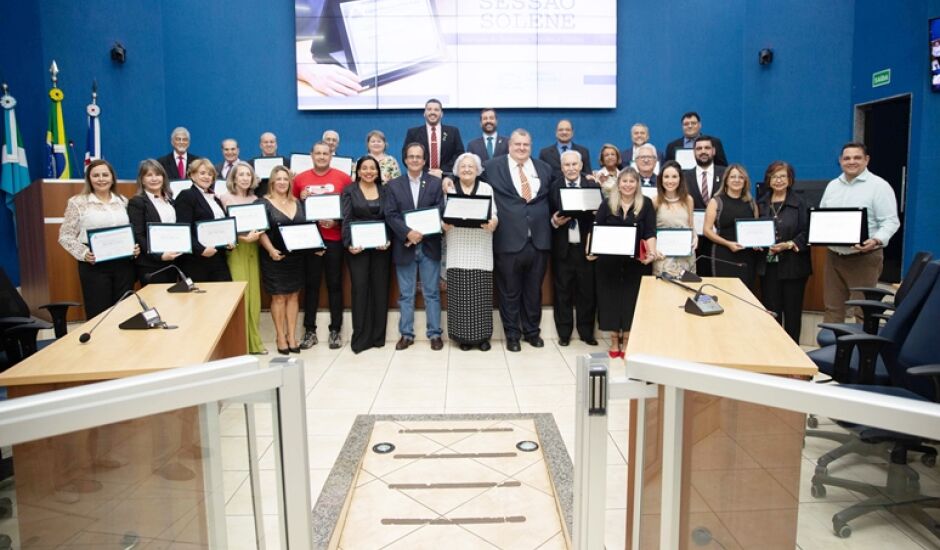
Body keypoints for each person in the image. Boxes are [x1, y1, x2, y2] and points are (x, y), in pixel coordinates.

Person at [484, 129, 553, 352]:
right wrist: (448, 183)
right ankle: (512, 334)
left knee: (534, 290)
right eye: (517, 144)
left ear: (530, 145)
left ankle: (532, 332)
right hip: (508, 241)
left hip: (539, 241)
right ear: (509, 145)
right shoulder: (492, 167)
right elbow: (467, 178)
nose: (521, 148)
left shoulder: (544, 168)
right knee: (509, 292)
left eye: (526, 144)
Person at [819, 142, 900, 323]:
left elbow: (890, 221)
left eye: (857, 157)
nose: (851, 162)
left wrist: (876, 240)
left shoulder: (879, 186)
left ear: (866, 160)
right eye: (847, 158)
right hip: (834, 257)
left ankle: (861, 352)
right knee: (832, 309)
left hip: (864, 257)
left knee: (863, 311)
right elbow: (823, 216)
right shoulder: (833, 186)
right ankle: (832, 350)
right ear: (840, 161)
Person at [58, 159, 139, 319]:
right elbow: (65, 236)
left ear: (112, 178)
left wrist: (134, 247)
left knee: (124, 312)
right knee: (99, 314)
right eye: (96, 175)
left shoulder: (122, 201)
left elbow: (129, 230)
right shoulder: (78, 202)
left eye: (105, 175)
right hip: (94, 266)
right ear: (89, 179)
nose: (101, 179)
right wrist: (84, 253)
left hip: (124, 266)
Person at [591, 167, 657, 359]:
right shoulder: (606, 204)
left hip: (636, 264)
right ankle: (613, 340)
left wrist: (651, 253)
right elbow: (596, 229)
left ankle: (627, 340)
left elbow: (650, 232)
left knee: (631, 300)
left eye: (632, 181)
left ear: (637, 184)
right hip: (608, 263)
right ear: (618, 184)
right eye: (624, 181)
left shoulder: (645, 204)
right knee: (610, 300)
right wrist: (591, 251)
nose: (628, 185)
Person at [385, 143, 445, 351]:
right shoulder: (393, 185)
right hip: (405, 245)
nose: (415, 160)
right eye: (411, 156)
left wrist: (421, 233)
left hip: (429, 245)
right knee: (406, 294)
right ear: (405, 159)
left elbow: (440, 210)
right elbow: (391, 214)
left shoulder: (435, 183)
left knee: (432, 293)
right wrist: (408, 233)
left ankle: (435, 334)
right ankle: (406, 334)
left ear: (425, 160)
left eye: (418, 157)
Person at [293, 141, 352, 349]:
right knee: (311, 286)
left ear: (331, 155)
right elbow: (291, 211)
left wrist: (337, 221)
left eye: (325, 153)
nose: (321, 156)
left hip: (334, 240)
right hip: (309, 242)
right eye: (317, 153)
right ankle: (309, 331)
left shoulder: (343, 178)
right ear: (311, 155)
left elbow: (350, 207)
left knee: (335, 285)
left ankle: (335, 330)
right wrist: (300, 200)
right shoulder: (299, 180)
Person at [442, 153, 498, 351]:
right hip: (457, 248)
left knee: (481, 296)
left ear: (478, 170)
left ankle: (482, 338)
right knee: (460, 296)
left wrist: (493, 223)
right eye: (463, 166)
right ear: (456, 170)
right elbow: (443, 216)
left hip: (481, 248)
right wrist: (444, 224)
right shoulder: (450, 189)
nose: (466, 169)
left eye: (471, 166)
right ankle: (462, 338)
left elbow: (494, 215)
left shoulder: (486, 188)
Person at [756, 161, 812, 342]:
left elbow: (808, 232)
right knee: (771, 312)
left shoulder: (800, 203)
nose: (778, 180)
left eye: (783, 176)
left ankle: (794, 353)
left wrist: (788, 244)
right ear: (768, 180)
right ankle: (774, 349)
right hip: (769, 267)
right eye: (774, 176)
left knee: (792, 313)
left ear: (790, 179)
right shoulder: (761, 203)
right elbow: (753, 229)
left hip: (793, 267)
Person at [549, 150, 599, 346]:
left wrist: (596, 211)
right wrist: (554, 221)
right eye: (566, 165)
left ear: (580, 166)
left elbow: (600, 218)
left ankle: (587, 333)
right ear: (562, 168)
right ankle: (564, 334)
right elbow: (547, 215)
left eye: (574, 164)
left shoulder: (592, 186)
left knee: (587, 292)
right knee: (562, 292)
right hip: (563, 248)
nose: (570, 168)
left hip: (585, 249)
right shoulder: (554, 187)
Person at [342, 156, 391, 354]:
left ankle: (378, 337)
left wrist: (388, 239)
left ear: (378, 172)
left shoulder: (385, 191)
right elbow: (346, 218)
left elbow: (390, 217)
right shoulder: (349, 191)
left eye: (373, 168)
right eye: (365, 168)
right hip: (358, 249)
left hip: (381, 249)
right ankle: (360, 338)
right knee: (360, 290)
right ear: (358, 171)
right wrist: (348, 244)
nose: (369, 171)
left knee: (380, 290)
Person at [219, 162, 267, 355]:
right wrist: (240, 238)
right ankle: (241, 345)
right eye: (241, 175)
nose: (245, 178)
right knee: (241, 295)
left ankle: (255, 343)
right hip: (236, 250)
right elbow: (221, 228)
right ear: (234, 178)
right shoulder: (224, 199)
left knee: (254, 297)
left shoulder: (257, 200)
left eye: (248, 174)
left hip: (253, 249)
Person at [258, 166, 306, 355]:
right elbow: (261, 231)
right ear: (271, 182)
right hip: (274, 257)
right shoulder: (263, 203)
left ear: (290, 182)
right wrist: (271, 250)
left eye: (285, 179)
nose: (282, 182)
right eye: (278, 179)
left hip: (296, 258)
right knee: (278, 297)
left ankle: (292, 336)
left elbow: (305, 229)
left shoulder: (298, 202)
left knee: (294, 295)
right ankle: (280, 336)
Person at [174, 159, 233, 282]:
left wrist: (229, 242)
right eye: (202, 173)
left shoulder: (215, 199)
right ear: (192, 175)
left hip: (218, 257)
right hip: (197, 261)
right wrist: (201, 250)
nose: (207, 177)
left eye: (210, 174)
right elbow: (183, 229)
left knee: (225, 296)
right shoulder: (187, 195)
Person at [703, 163, 759, 289]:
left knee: (745, 292)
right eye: (733, 177)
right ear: (726, 180)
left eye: (741, 177)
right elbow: (707, 230)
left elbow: (755, 228)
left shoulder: (751, 202)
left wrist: (757, 243)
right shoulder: (716, 201)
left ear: (745, 181)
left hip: (747, 256)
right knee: (724, 292)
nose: (737, 180)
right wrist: (728, 244)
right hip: (723, 254)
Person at [127, 159, 182, 285]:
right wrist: (159, 255)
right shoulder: (137, 202)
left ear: (163, 177)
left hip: (172, 260)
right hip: (151, 265)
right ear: (142, 179)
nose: (154, 179)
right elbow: (138, 235)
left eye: (157, 174)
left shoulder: (170, 201)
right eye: (149, 175)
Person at [683, 136, 726, 276]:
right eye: (699, 148)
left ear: (713, 151)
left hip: (721, 241)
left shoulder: (726, 174)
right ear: (694, 152)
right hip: (694, 242)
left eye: (707, 148)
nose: (703, 151)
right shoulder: (684, 176)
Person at [652, 160, 697, 278]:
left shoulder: (688, 199)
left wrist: (695, 237)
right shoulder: (655, 201)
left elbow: (691, 225)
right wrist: (653, 249)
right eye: (666, 177)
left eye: (674, 177)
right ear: (661, 179)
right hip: (663, 257)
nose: (670, 181)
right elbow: (650, 230)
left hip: (685, 257)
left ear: (680, 179)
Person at [402, 98, 465, 178]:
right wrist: (427, 172)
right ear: (424, 113)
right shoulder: (413, 133)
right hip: (420, 177)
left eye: (436, 110)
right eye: (429, 109)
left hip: (446, 177)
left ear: (441, 114)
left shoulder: (453, 132)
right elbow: (405, 155)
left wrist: (442, 171)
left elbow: (459, 154)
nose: (432, 112)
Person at [251, 132, 286, 198]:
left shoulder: (287, 164)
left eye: (272, 142)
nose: (269, 144)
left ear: (276, 145)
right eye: (266, 142)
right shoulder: (250, 165)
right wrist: (252, 182)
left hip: (282, 201)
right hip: (260, 201)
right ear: (260, 145)